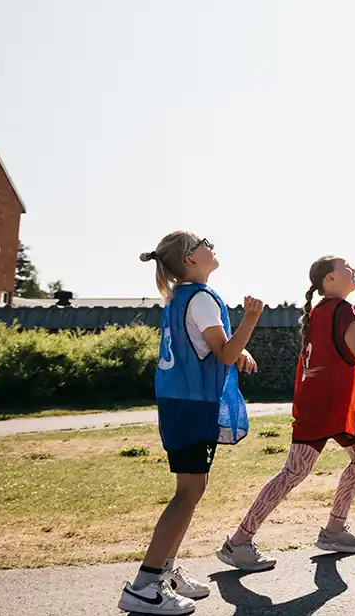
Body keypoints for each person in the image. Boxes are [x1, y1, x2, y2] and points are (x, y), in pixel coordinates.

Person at [217, 255, 355, 571]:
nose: (354, 270)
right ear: (329, 279)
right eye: (346, 267)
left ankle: (335, 529)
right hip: (326, 407)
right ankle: (240, 541)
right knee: (294, 473)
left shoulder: (321, 311)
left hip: (330, 406)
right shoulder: (340, 310)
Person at [120, 232, 261, 615]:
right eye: (202, 241)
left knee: (193, 489)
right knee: (187, 492)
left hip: (180, 401)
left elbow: (212, 346)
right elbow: (226, 353)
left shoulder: (183, 296)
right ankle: (145, 584)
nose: (211, 244)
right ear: (190, 260)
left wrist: (237, 345)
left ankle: (163, 570)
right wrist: (249, 320)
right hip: (190, 404)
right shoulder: (200, 298)